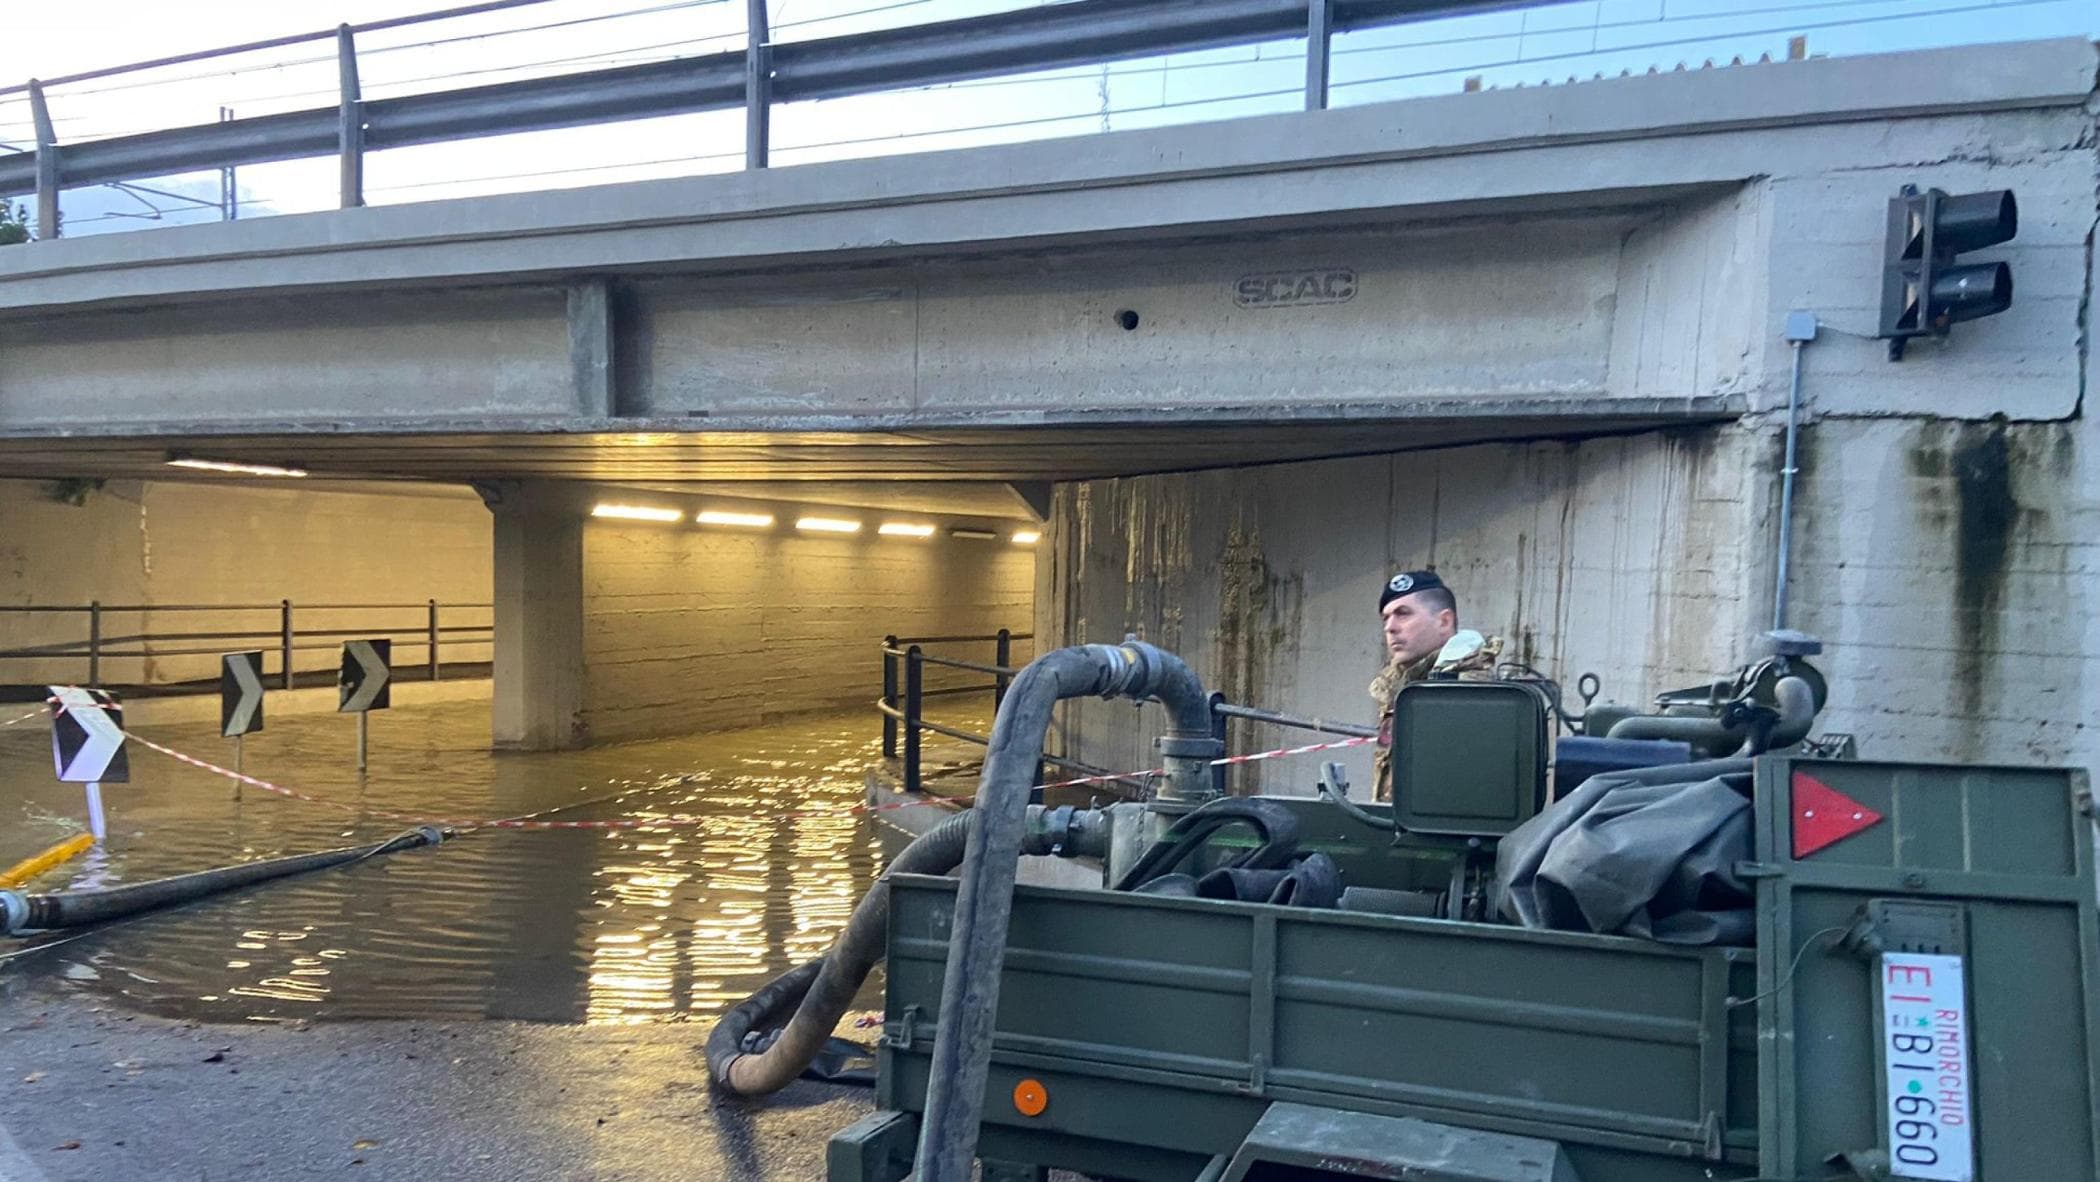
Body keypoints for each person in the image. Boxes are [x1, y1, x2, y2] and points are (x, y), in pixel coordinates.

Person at [1368, 570, 1503, 801]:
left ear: (1444, 621)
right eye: (1386, 618)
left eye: (1403, 614)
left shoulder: (1468, 693)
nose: (1390, 627)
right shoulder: (1405, 686)